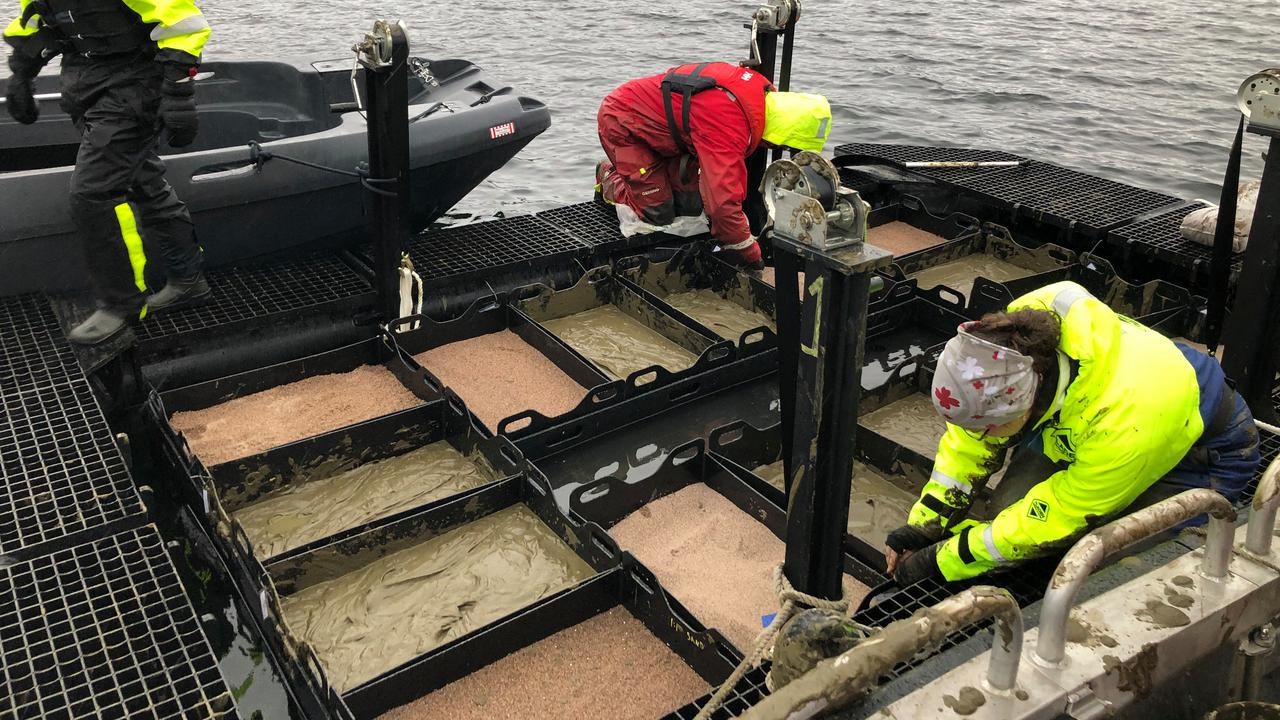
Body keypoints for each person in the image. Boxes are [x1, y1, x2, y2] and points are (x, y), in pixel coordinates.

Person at [885, 281, 1261, 586]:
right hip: (1090, 414)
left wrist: (943, 560)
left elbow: (1056, 517)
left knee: (1108, 573)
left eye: (989, 429)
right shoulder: (1012, 341)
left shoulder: (1122, 422)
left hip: (1200, 452)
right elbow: (968, 442)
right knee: (1004, 511)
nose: (980, 436)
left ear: (1027, 405)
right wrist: (925, 525)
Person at [5, 0, 211, 345]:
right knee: (143, 180)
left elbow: (183, 23)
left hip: (134, 86)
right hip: (86, 86)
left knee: (92, 195)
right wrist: (21, 75)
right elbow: (32, 20)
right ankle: (188, 280)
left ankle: (122, 303)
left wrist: (178, 93)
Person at [595, 61, 832, 269]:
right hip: (624, 124)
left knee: (690, 203)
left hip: (666, 133)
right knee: (658, 212)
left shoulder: (763, 95)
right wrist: (747, 250)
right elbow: (721, 205)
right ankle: (609, 176)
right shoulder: (728, 122)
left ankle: (651, 175)